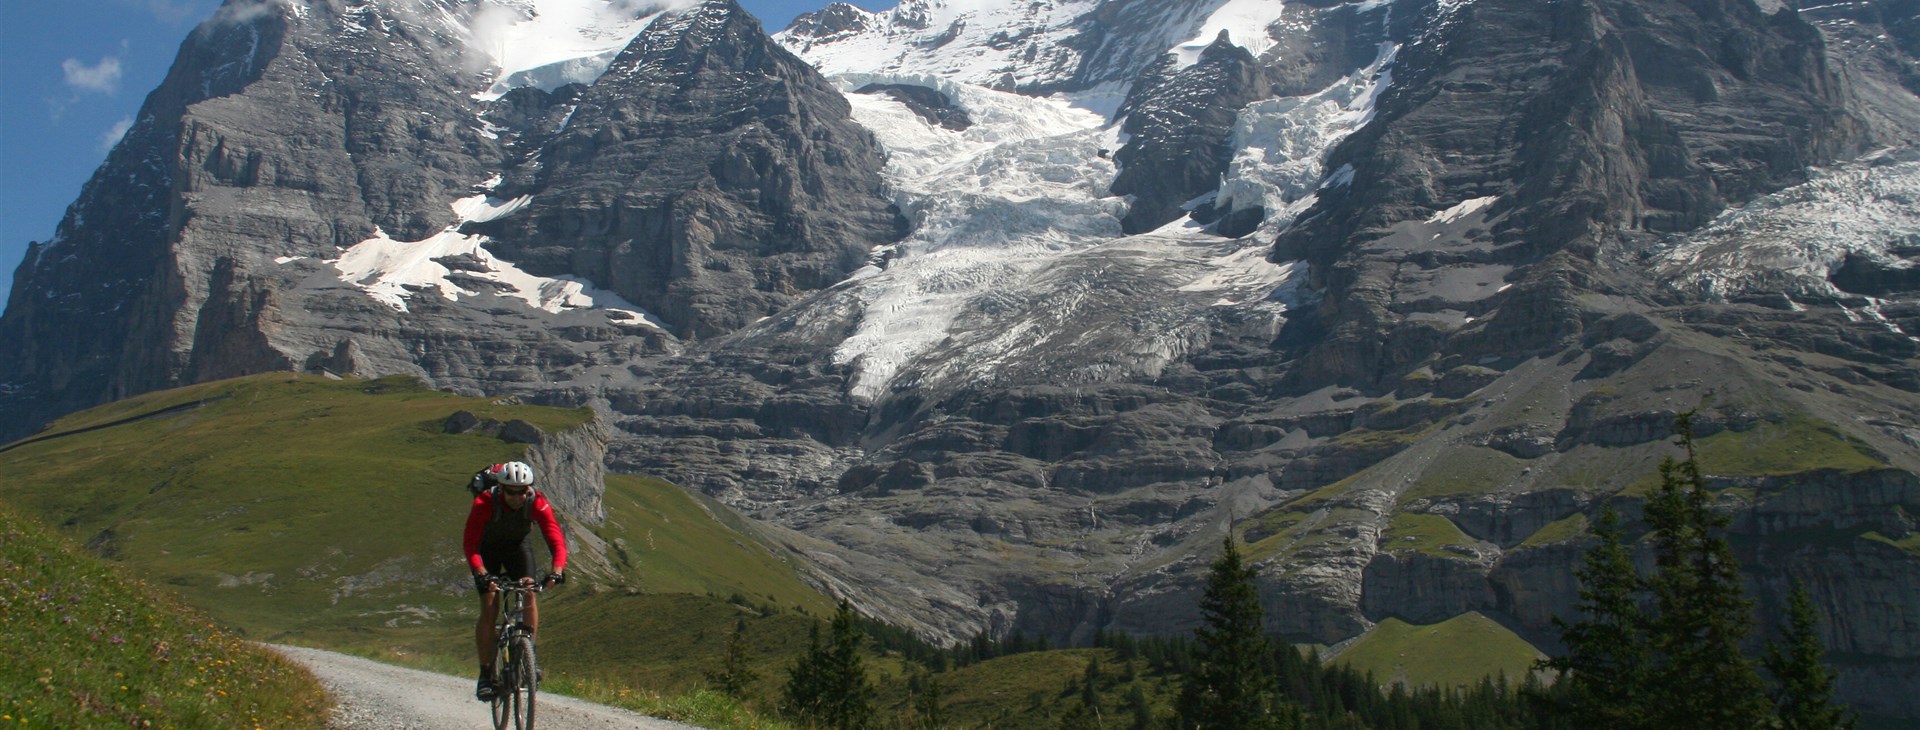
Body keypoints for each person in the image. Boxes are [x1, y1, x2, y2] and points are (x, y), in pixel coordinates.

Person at [463, 460, 568, 702]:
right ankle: (485, 674)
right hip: (487, 551)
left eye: (522, 491)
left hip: (518, 548)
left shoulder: (536, 501)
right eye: (511, 492)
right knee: (490, 606)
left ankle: (530, 656)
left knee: (529, 592)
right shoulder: (484, 503)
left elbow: (555, 538)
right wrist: (481, 572)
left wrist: (557, 570)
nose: (518, 497)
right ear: (501, 488)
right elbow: (470, 544)